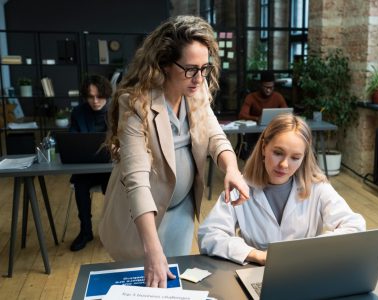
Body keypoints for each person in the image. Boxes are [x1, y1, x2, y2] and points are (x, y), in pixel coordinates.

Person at [99, 15, 249, 288]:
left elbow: (214, 134)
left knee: (173, 282)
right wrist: (152, 250)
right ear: (165, 64)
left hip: (180, 209)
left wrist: (232, 169)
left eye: (205, 68)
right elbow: (137, 180)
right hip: (141, 216)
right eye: (190, 69)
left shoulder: (196, 87)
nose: (200, 78)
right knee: (142, 279)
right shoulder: (135, 104)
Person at [198, 114, 366, 265]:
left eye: (295, 158)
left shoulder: (318, 188)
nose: (284, 165)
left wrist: (312, 249)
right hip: (256, 273)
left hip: (305, 272)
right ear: (264, 147)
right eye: (278, 153)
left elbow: (355, 226)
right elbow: (209, 235)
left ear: (304, 158)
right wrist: (256, 255)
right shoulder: (240, 188)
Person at [68, 74, 112, 251]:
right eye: (90, 97)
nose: (95, 101)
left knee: (117, 188)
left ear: (106, 95)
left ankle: (112, 231)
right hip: (86, 167)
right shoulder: (78, 112)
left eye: (99, 96)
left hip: (109, 167)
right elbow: (71, 140)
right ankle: (85, 231)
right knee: (80, 185)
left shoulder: (116, 111)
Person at [238, 71, 287, 159]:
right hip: (255, 134)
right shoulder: (251, 97)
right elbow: (242, 115)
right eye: (266, 87)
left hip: (273, 131)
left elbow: (286, 114)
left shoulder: (278, 97)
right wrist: (257, 118)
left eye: (271, 87)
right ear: (260, 85)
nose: (268, 90)